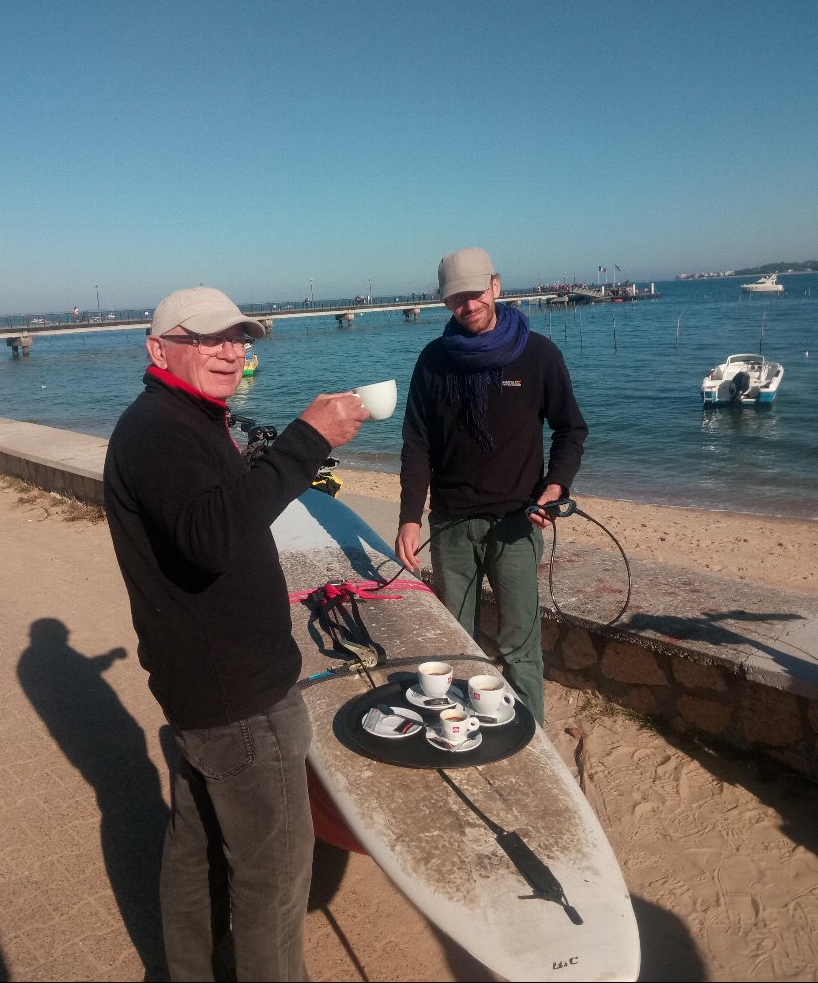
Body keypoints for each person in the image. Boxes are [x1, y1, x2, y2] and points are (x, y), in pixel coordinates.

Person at [103, 286, 368, 982]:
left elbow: (212, 513)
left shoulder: (181, 417)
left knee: (195, 851)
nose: (230, 351)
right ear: (159, 348)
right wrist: (306, 440)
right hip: (239, 696)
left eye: (239, 338)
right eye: (209, 338)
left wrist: (263, 463)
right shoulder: (162, 429)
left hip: (204, 688)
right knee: (273, 883)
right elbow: (213, 538)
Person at [395, 248, 588, 725]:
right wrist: (408, 516)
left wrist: (555, 487)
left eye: (476, 293)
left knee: (519, 648)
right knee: (456, 645)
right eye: (457, 298)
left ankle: (534, 741)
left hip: (516, 525)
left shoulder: (539, 354)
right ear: (445, 303)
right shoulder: (433, 360)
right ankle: (458, 728)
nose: (469, 305)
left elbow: (571, 430)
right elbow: (417, 442)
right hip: (451, 526)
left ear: (496, 287)